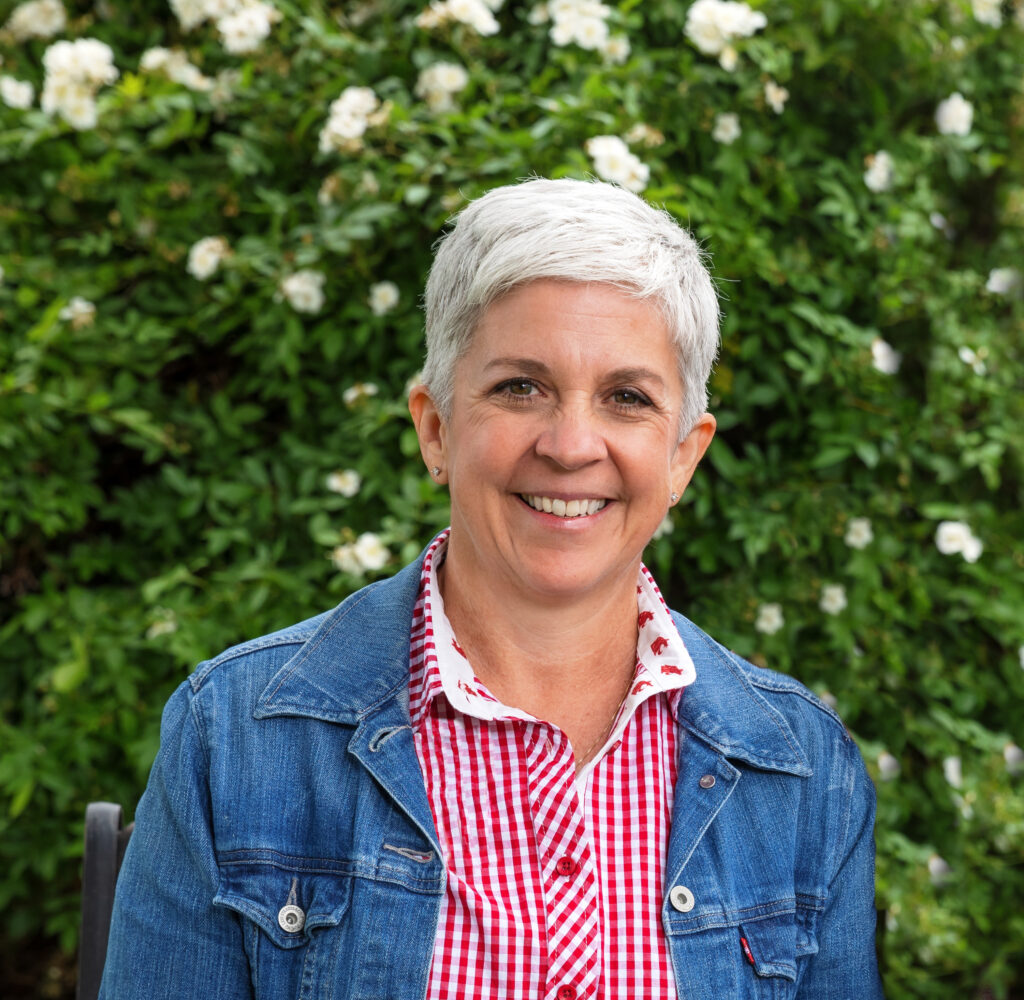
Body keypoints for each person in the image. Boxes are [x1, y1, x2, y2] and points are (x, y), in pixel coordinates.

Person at [99, 178, 884, 999]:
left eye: (627, 398)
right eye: (520, 387)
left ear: (684, 455)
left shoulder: (799, 772)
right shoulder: (234, 738)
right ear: (436, 428)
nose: (572, 444)